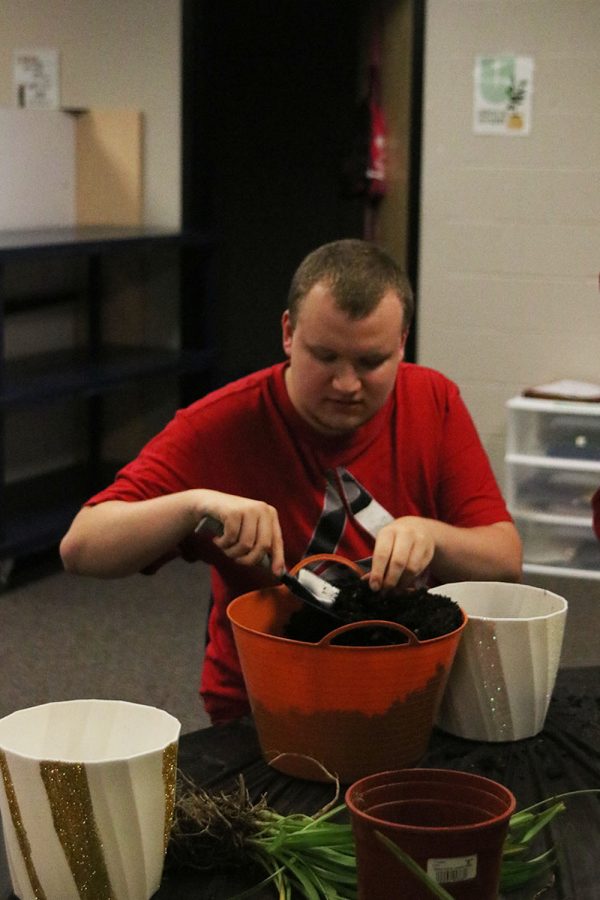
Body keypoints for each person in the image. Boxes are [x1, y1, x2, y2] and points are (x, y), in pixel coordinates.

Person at [60, 239, 522, 722]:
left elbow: (505, 561)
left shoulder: (433, 401)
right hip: (267, 705)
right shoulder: (218, 427)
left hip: (410, 690)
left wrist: (431, 536)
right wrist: (193, 505)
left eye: (371, 362)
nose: (346, 384)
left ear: (402, 343)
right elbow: (81, 548)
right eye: (324, 357)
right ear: (287, 333)